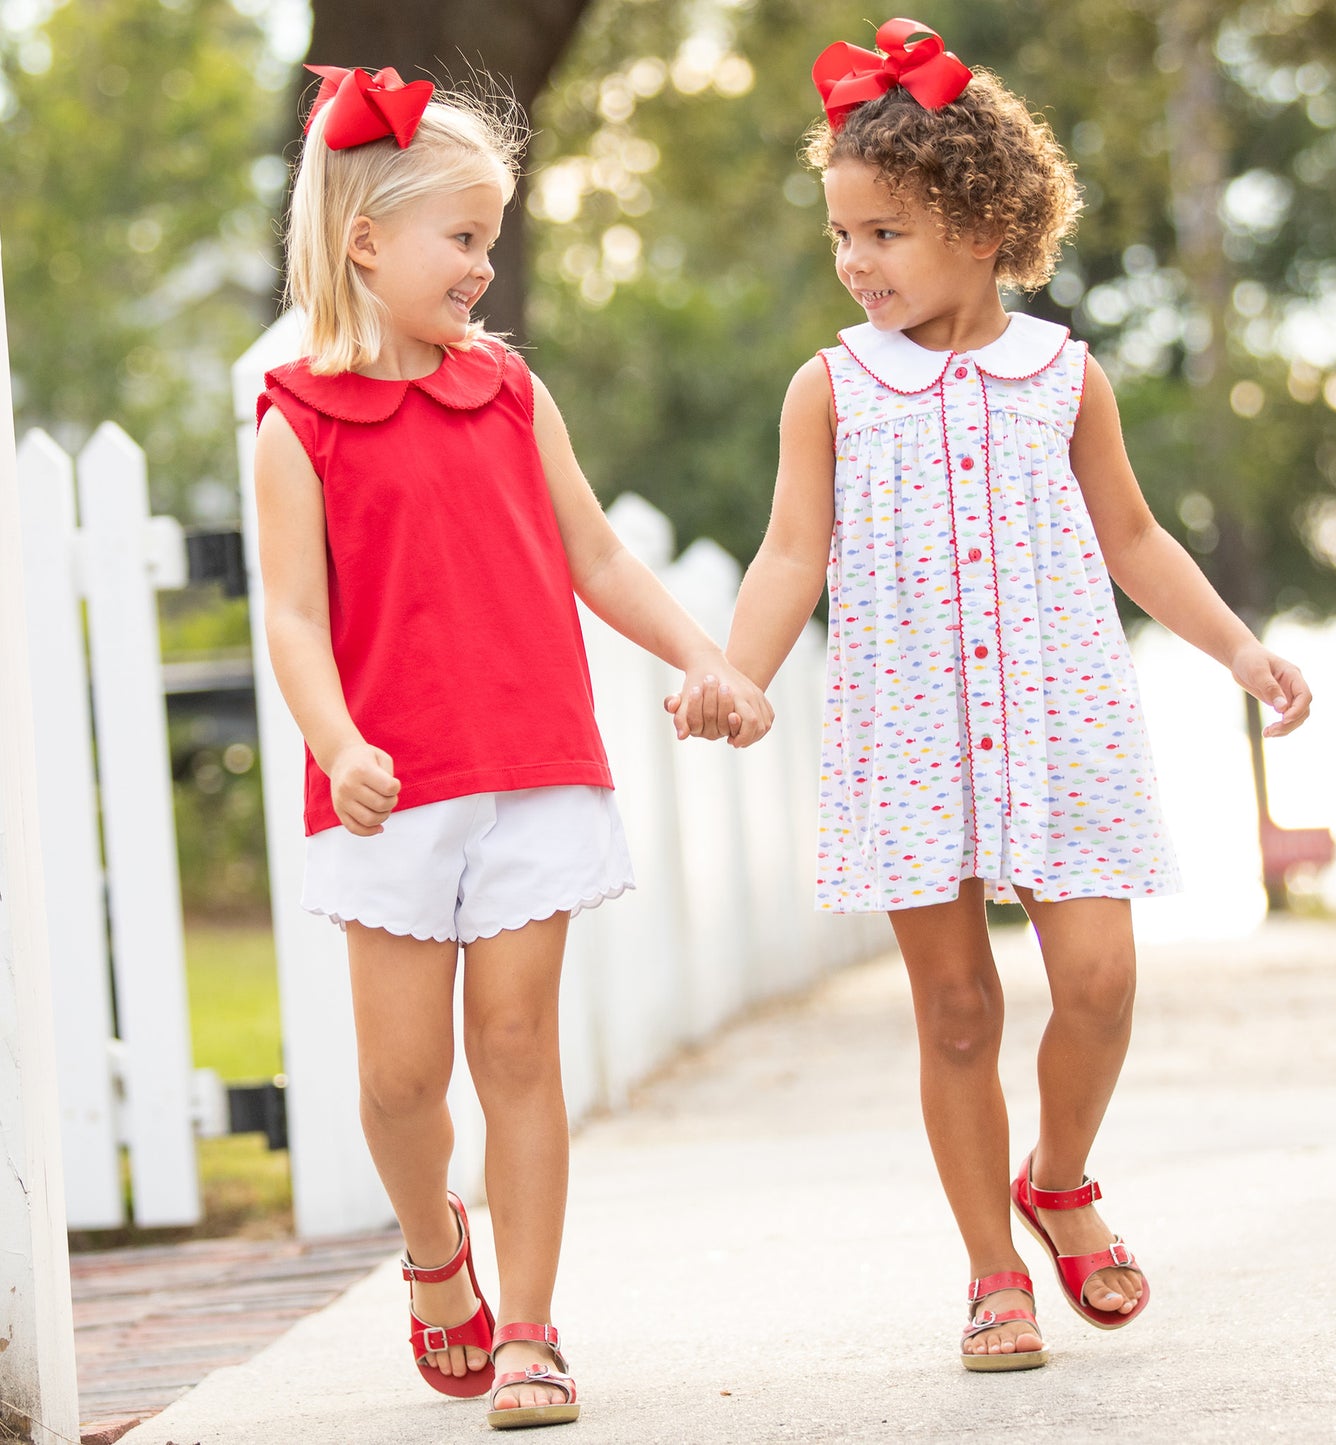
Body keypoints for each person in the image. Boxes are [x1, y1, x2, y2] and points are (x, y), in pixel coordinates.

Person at [674, 20, 1312, 1371]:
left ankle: (1060, 1175)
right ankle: (989, 1270)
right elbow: (792, 552)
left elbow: (1134, 537)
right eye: (841, 234)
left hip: (1063, 718)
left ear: (981, 224)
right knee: (956, 1007)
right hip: (905, 732)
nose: (854, 263)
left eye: (883, 234)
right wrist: (736, 670)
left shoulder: (1063, 375)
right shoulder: (829, 391)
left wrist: (1239, 652)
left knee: (1096, 981)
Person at [254, 65, 771, 1430]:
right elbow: (293, 618)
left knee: (517, 1046)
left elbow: (595, 551)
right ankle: (435, 1252)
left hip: (535, 762)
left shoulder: (507, 389)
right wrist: (337, 739)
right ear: (366, 239)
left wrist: (706, 655)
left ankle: (533, 1328)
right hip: (386, 791)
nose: (486, 266)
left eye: (492, 238)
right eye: (464, 238)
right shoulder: (295, 420)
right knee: (400, 1079)